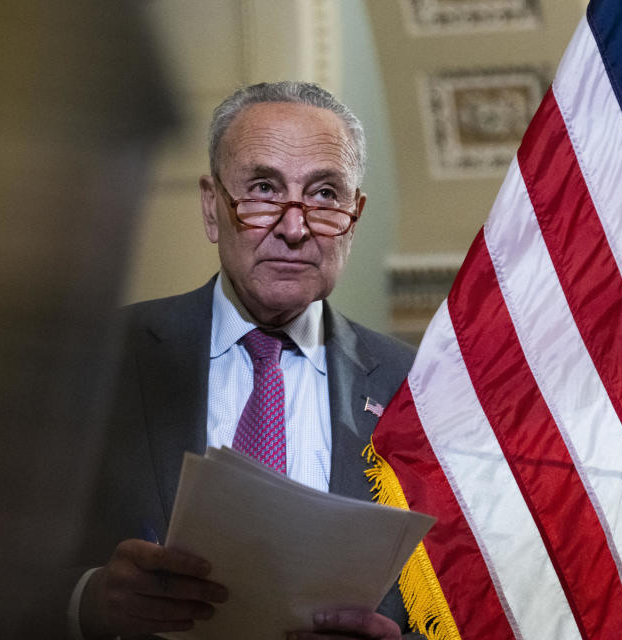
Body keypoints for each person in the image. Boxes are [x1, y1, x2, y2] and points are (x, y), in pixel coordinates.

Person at [71, 81, 420, 639]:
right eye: (263, 189)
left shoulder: (418, 386)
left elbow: (467, 603)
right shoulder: (101, 357)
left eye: (325, 194)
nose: (294, 226)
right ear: (212, 208)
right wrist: (87, 601)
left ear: (355, 215)